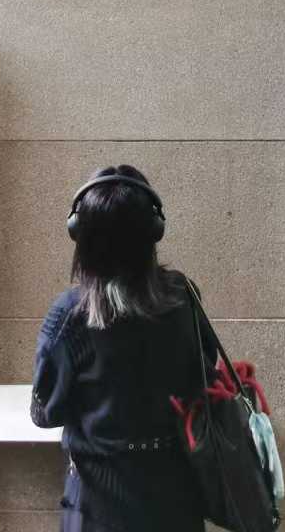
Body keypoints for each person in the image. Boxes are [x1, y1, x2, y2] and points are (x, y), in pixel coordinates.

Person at [30, 165, 215, 531]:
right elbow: (205, 376)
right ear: (154, 231)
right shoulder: (183, 296)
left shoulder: (71, 313)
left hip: (95, 503)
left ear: (80, 235)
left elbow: (45, 413)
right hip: (175, 497)